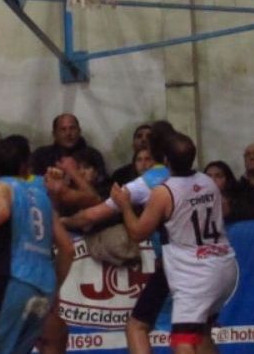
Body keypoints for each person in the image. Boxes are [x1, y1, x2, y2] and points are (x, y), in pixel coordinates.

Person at [112, 132, 238, 354]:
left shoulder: (164, 191)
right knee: (201, 333)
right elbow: (225, 209)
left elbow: (138, 233)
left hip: (195, 272)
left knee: (183, 339)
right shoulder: (207, 181)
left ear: (166, 161)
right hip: (224, 264)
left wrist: (124, 205)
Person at [62, 120, 176, 354]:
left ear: (152, 150)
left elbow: (93, 215)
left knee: (137, 327)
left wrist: (61, 222)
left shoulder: (147, 183)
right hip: (209, 262)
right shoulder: (196, 178)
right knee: (199, 331)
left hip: (173, 261)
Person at [0, 135, 74, 354]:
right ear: (26, 166)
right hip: (44, 285)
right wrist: (53, 286)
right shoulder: (41, 196)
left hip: (12, 280)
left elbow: (2, 211)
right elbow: (68, 249)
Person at [31, 113, 106, 178]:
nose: (68, 133)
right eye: (63, 129)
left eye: (72, 128)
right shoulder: (41, 156)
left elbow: (104, 186)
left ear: (79, 131)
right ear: (54, 134)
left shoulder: (93, 156)